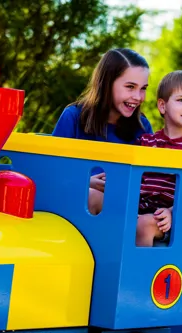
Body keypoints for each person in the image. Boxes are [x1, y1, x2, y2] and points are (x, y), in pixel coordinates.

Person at [51, 48, 153, 215]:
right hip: (72, 209)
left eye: (143, 88)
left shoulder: (141, 126)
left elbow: (148, 179)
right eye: (130, 87)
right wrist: (86, 182)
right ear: (106, 83)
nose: (138, 96)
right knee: (95, 197)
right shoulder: (73, 117)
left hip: (123, 211)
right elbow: (53, 171)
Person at [135, 70, 182, 247]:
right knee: (98, 200)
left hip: (176, 218)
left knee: (144, 225)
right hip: (140, 208)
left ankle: (141, 273)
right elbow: (133, 180)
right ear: (162, 106)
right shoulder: (146, 142)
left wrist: (172, 212)